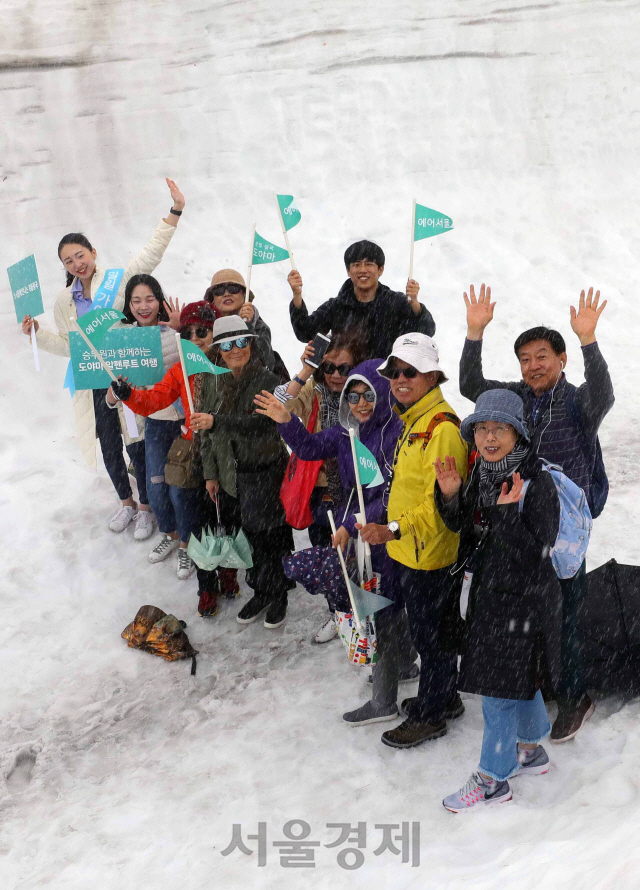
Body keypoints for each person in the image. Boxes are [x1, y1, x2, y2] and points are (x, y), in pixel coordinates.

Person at [459, 283, 614, 742]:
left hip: (565, 526)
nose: (533, 366)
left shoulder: (578, 401)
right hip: (520, 520)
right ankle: (546, 681)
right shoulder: (517, 397)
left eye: (542, 356)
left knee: (566, 613)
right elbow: (471, 387)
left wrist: (588, 340)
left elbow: (603, 395)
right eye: (525, 359)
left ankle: (573, 696)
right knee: (535, 608)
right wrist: (474, 333)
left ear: (560, 359)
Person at [256, 361, 419, 722]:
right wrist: (286, 420)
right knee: (385, 606)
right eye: (354, 395)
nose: (361, 404)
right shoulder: (347, 432)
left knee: (379, 612)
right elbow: (310, 447)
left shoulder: (394, 435)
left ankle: (383, 701)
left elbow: (389, 495)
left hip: (382, 534)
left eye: (369, 396)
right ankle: (406, 666)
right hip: (358, 533)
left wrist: (351, 523)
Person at [20, 178, 185, 533]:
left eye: (80, 255)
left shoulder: (118, 281)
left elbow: (149, 254)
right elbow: (69, 345)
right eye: (68, 261)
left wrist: (174, 212)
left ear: (93, 253)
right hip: (96, 380)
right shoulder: (65, 302)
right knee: (109, 445)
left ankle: (145, 507)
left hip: (128, 376)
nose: (77, 263)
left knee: (136, 442)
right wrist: (38, 334)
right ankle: (125, 502)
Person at [435, 389, 562, 812]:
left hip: (522, 605)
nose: (490, 438)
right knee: (517, 680)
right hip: (489, 597)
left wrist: (507, 516)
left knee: (497, 693)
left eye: (500, 429)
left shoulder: (537, 482)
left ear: (518, 434)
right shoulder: (483, 474)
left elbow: (536, 552)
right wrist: (451, 495)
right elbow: (467, 531)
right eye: (483, 429)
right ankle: (531, 748)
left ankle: (493, 779)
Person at [357, 333, 469, 748]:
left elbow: (436, 506)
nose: (399, 379)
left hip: (430, 555)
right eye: (394, 372)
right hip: (410, 551)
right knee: (430, 634)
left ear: (433, 375)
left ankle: (433, 713)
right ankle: (447, 697)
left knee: (432, 639)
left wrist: (392, 530)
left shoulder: (440, 429)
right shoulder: (414, 420)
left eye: (410, 371)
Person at [109, 303, 240, 611]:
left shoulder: (229, 363)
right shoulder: (181, 368)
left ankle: (231, 569)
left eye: (202, 331)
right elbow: (155, 399)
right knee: (200, 519)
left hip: (229, 451)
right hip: (196, 454)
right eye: (188, 332)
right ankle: (207, 582)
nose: (196, 338)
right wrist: (129, 395)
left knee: (230, 516)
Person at [196, 316, 294, 629]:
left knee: (271, 537)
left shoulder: (268, 379)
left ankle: (277, 595)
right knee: (249, 538)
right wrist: (211, 474)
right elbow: (206, 433)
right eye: (227, 344)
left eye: (242, 341)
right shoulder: (216, 381)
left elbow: (261, 422)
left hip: (266, 471)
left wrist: (218, 421)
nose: (236, 349)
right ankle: (261, 590)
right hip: (234, 475)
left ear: (251, 343)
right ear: (218, 350)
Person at [273, 334, 365, 643]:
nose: (337, 375)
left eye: (344, 368)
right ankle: (337, 612)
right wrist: (306, 370)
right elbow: (281, 401)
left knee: (358, 555)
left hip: (358, 490)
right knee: (329, 555)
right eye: (329, 367)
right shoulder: (314, 390)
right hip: (321, 487)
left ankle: (362, 612)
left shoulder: (364, 395)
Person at [107, 289, 203, 581]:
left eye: (148, 298)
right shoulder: (125, 340)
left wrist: (179, 330)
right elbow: (152, 395)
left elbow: (189, 360)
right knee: (156, 484)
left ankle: (186, 542)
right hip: (156, 420)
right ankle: (172, 534)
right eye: (135, 300)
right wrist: (124, 394)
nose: (142, 305)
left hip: (185, 423)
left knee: (180, 487)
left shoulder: (175, 335)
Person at [287, 240, 435, 359]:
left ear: (380, 270)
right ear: (348, 271)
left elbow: (426, 331)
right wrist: (297, 296)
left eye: (369, 264)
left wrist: (415, 304)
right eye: (356, 265)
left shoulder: (396, 302)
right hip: (345, 384)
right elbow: (305, 332)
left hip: (386, 383)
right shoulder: (337, 306)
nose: (362, 270)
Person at [204, 269, 276, 371]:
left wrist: (247, 326)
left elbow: (264, 365)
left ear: (244, 296)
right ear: (213, 300)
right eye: (219, 291)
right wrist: (180, 329)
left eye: (233, 289)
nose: (226, 294)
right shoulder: (203, 331)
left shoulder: (259, 327)